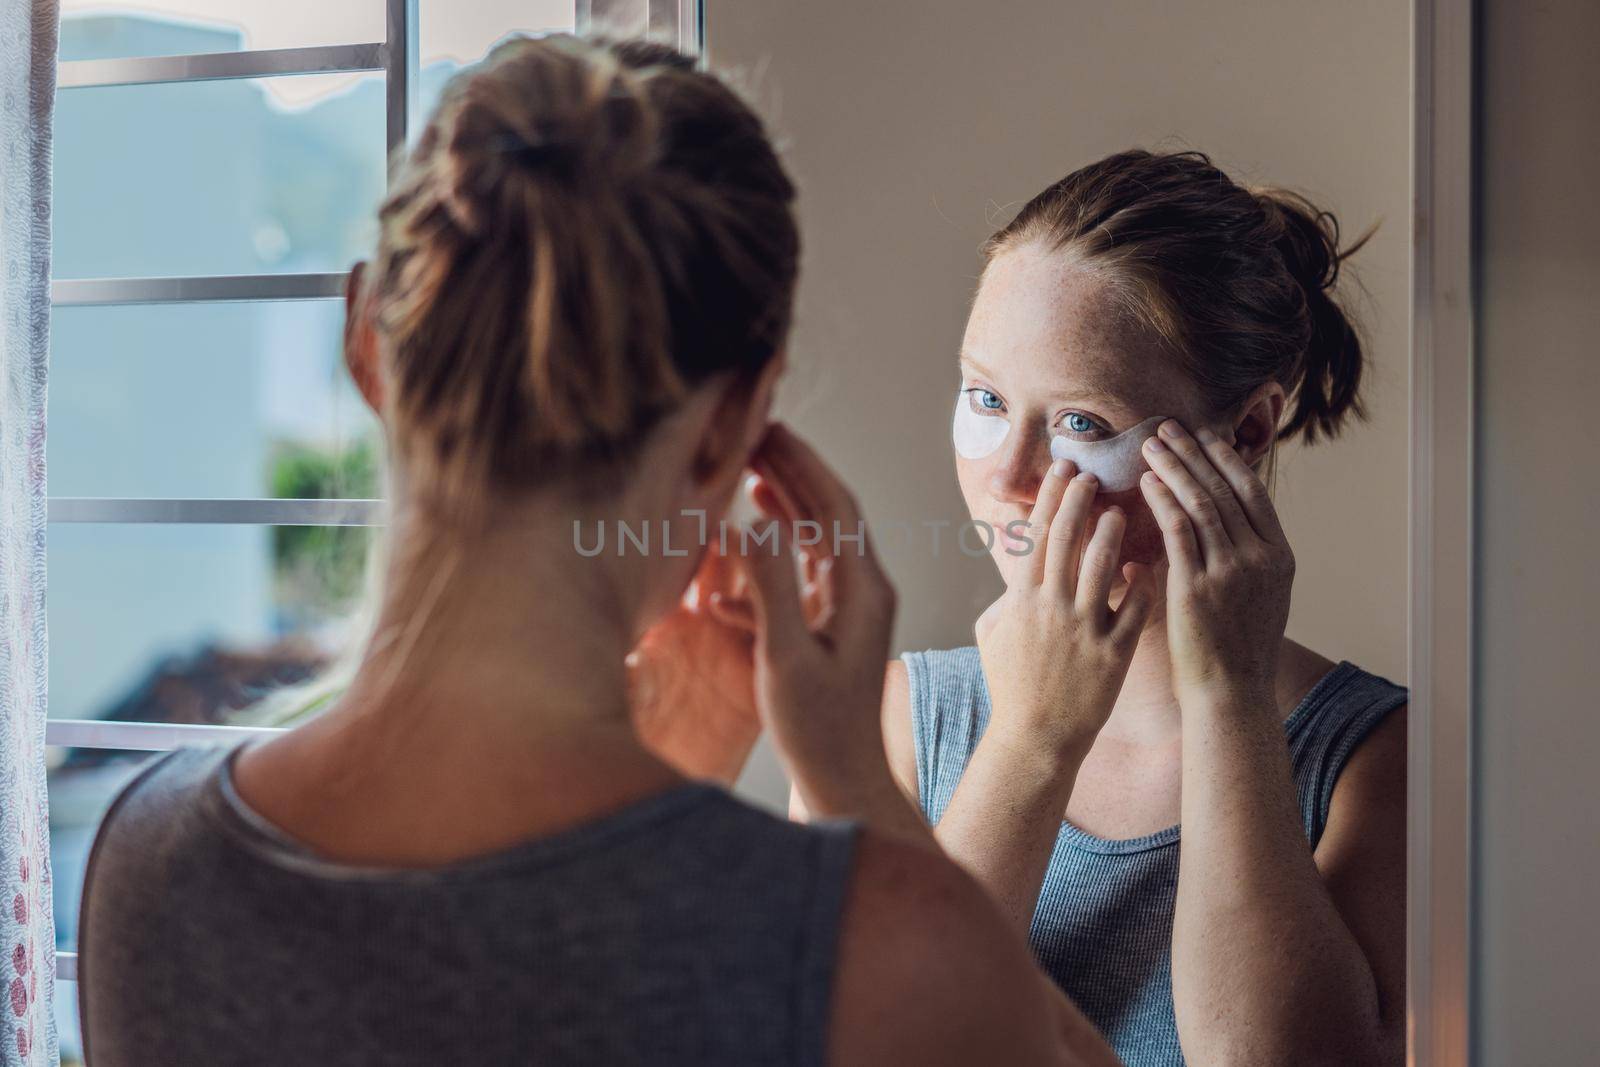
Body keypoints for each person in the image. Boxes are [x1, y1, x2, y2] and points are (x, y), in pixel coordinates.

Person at [75, 35, 1118, 1067]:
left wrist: (674, 765)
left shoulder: (148, 856)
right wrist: (852, 783)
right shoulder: (872, 945)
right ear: (732, 426)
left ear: (364, 343)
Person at [795, 150, 1409, 1066]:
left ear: (1246, 432)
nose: (1006, 475)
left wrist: (1230, 700)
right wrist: (1032, 741)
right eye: (986, 397)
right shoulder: (889, 727)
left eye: (1080, 423)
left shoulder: (1376, 761)